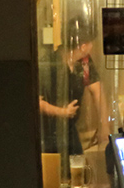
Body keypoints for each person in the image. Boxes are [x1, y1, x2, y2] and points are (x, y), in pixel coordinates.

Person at [39, 17, 109, 155]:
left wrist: (104, 126)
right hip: (48, 133)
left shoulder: (84, 62)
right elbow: (37, 102)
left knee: (78, 163)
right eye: (90, 43)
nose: (91, 46)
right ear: (82, 46)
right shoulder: (49, 63)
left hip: (70, 128)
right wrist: (62, 112)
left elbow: (97, 91)